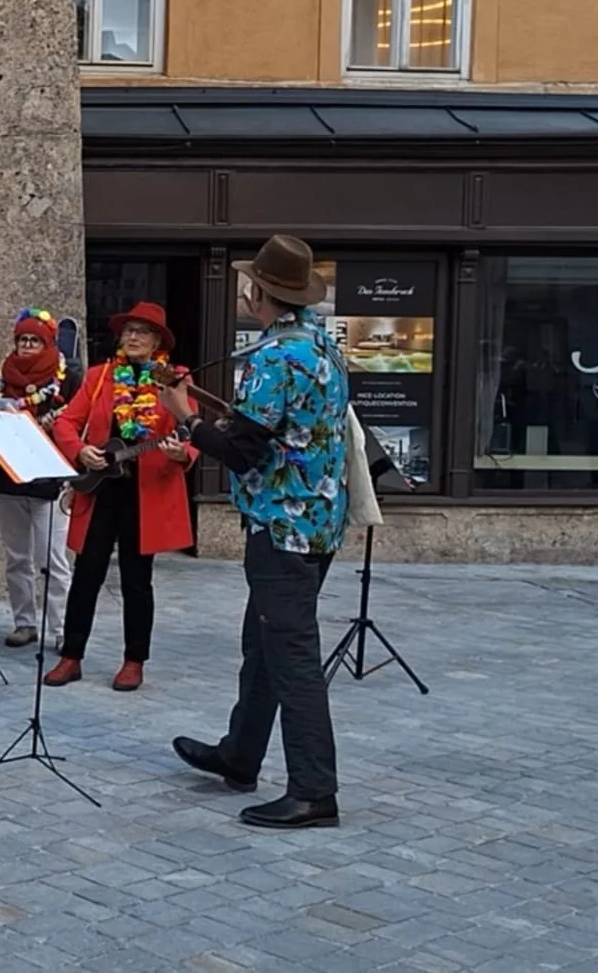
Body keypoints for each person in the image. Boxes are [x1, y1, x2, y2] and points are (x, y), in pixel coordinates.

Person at [161, 234, 351, 830]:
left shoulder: (273, 358)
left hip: (282, 525)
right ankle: (240, 754)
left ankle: (314, 791)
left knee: (291, 656)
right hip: (317, 521)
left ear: (257, 291)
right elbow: (284, 431)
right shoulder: (322, 345)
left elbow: (243, 453)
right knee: (263, 644)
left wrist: (187, 417)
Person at [42, 301, 196, 693]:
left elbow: (191, 429)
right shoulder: (99, 377)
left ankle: (133, 660)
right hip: (100, 490)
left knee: (137, 581)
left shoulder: (174, 378)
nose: (132, 337)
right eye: (128, 330)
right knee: (86, 574)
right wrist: (79, 450)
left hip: (145, 493)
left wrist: (184, 452)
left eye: (141, 332)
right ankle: (71, 656)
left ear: (158, 340)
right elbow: (66, 423)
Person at [0, 307, 80, 650]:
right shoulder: (0, 378)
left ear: (48, 343)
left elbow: (79, 419)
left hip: (51, 481)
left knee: (52, 559)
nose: (26, 346)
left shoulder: (68, 377)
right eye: (22, 340)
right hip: (8, 479)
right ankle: (24, 622)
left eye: (35, 340)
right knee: (16, 557)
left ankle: (62, 628)